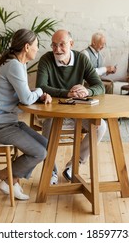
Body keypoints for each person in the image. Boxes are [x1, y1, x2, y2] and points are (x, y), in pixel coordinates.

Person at [0, 29, 52, 200]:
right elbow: (26, 99)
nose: (37, 49)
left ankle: (11, 181)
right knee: (39, 152)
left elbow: (23, 93)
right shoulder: (14, 66)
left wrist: (36, 94)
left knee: (45, 144)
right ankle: (4, 176)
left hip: (7, 122)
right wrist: (40, 90)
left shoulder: (18, 64)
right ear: (27, 47)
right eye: (36, 46)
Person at [36, 29, 107, 183]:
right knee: (48, 126)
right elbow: (41, 86)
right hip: (54, 114)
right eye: (54, 45)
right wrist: (66, 93)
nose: (57, 49)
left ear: (71, 44)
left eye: (62, 45)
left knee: (101, 126)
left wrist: (87, 90)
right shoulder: (46, 59)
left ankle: (74, 164)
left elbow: (100, 86)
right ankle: (50, 170)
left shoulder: (81, 59)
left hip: (78, 112)